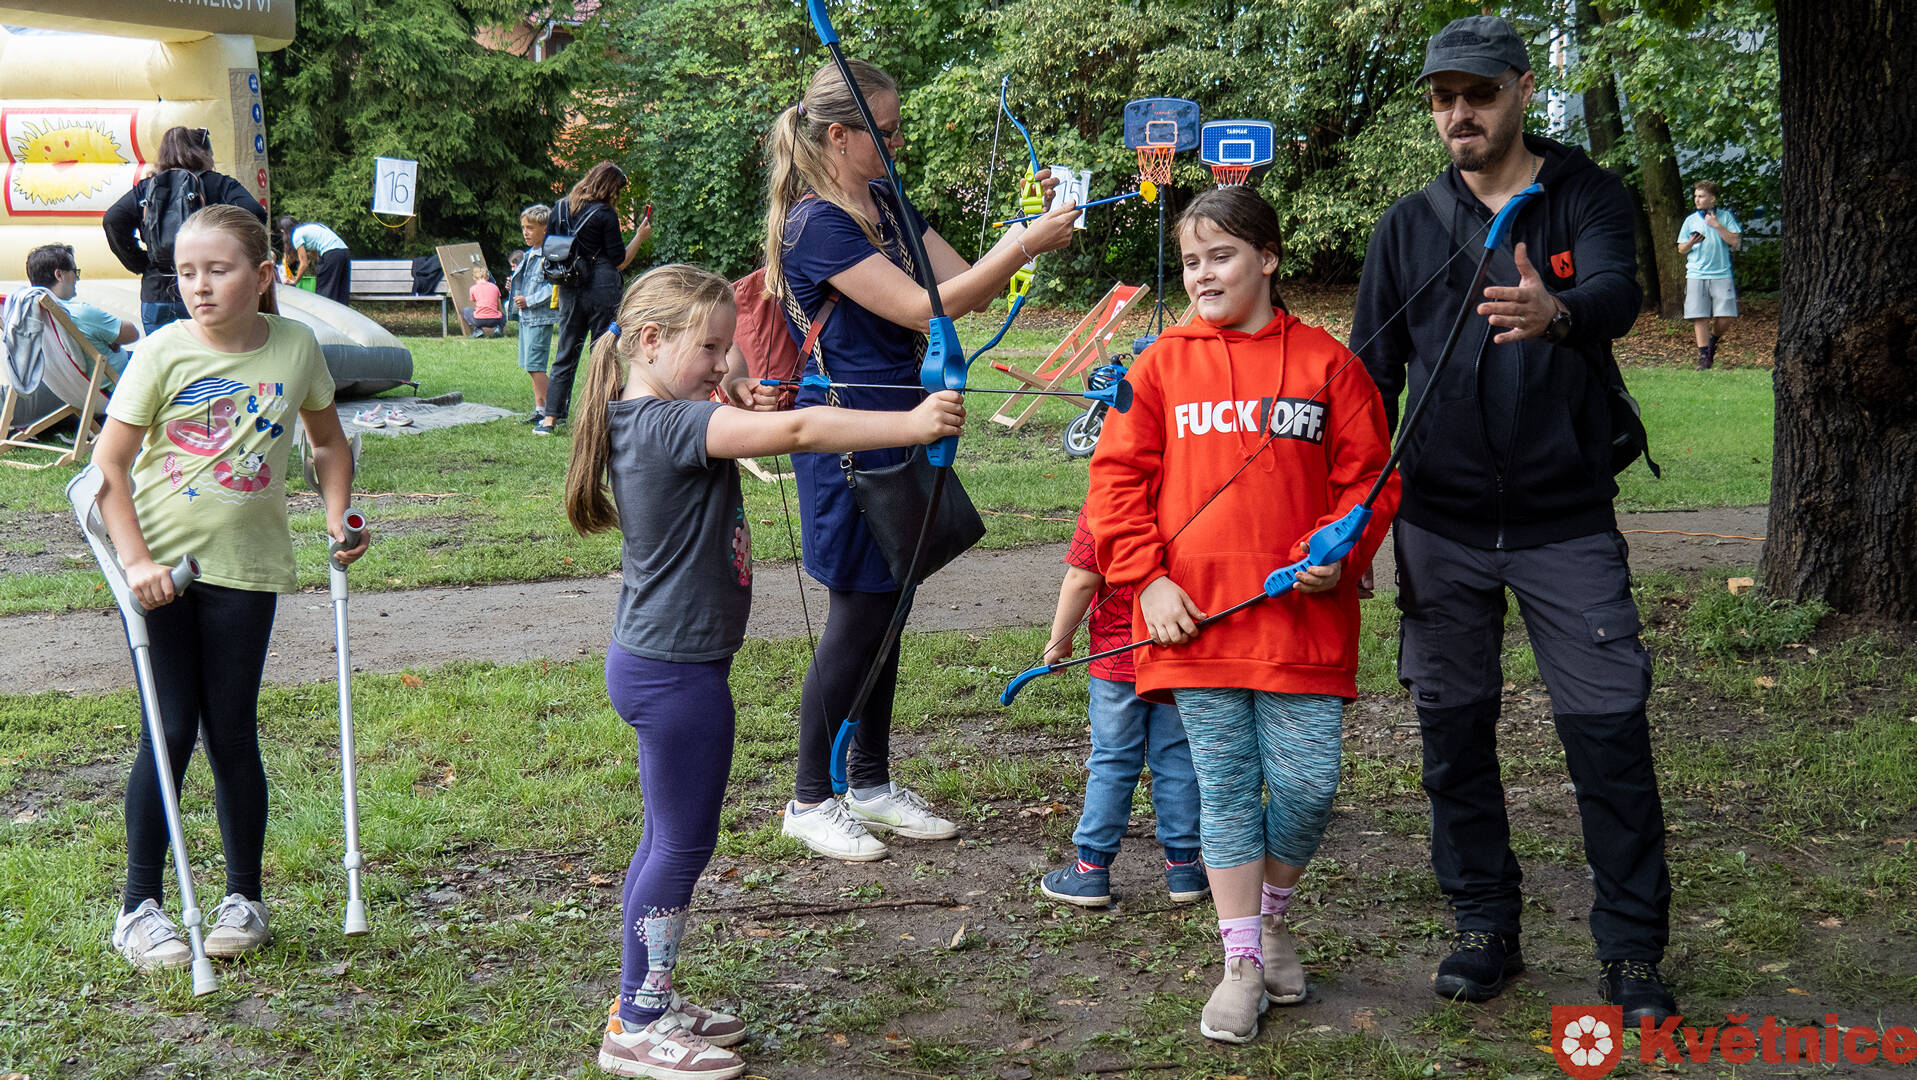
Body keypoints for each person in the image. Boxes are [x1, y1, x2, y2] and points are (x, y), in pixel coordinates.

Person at [1349, 14, 1676, 1026]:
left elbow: (1618, 293)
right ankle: (1483, 924)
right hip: (1439, 527)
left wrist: (1557, 314)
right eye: (1443, 98)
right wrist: (1351, 520)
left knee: (1608, 740)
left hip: (1565, 523)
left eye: (1478, 94)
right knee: (1453, 740)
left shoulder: (1585, 196)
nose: (1459, 113)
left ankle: (1630, 952)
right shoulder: (1407, 226)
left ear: (1523, 91)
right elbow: (1368, 379)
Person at [562, 264, 965, 1079]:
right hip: (675, 678)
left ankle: (648, 996)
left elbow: (742, 399)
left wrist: (733, 386)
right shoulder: (672, 424)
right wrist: (912, 421)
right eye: (711, 349)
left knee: (664, 841)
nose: (725, 363)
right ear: (650, 341)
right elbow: (800, 432)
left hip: (663, 667)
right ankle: (636, 1026)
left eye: (728, 349)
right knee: (681, 846)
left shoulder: (649, 411)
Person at [1090, 185, 1399, 1043]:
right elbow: (1115, 484)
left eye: (1220, 256)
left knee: (1307, 786)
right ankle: (1239, 961)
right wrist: (1146, 582)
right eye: (1190, 261)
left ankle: (1268, 919)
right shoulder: (1159, 365)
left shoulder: (1328, 364)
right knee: (1224, 789)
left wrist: (1339, 552)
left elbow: (1369, 481)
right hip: (1192, 623)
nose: (1201, 274)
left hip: (1302, 624)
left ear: (1266, 258)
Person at [758, 57, 1080, 861]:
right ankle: (809, 798)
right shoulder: (814, 224)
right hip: (846, 436)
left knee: (890, 604)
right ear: (839, 136)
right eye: (887, 131)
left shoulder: (885, 202)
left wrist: (1025, 230)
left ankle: (867, 782)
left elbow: (968, 283)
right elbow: (923, 307)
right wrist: (1022, 242)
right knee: (859, 612)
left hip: (905, 424)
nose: (899, 143)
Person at [90, 204, 368, 971]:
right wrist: (137, 563)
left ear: (263, 274)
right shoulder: (161, 352)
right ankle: (139, 907)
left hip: (249, 569)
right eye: (186, 273)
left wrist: (338, 513)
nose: (200, 286)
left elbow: (327, 443)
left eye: (218, 270)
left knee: (233, 731)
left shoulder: (295, 346)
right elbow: (109, 467)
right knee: (171, 728)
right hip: (161, 575)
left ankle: (244, 899)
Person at [1035, 506, 1205, 909]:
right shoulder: (1187, 495)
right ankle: (1184, 867)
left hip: (1115, 666)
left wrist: (1059, 640)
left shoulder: (1107, 504)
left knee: (1112, 760)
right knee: (1178, 758)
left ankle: (1091, 870)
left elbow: (1081, 578)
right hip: (1179, 660)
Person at [102, 125, 268, 332]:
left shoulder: (146, 188)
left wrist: (140, 262)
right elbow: (255, 212)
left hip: (157, 290)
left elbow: (112, 219)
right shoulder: (218, 184)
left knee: (163, 352)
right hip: (207, 291)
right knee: (210, 351)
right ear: (202, 153)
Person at [539, 162, 653, 435]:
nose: (618, 196)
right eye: (618, 191)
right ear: (610, 188)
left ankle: (549, 419)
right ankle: (600, 417)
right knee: (602, 353)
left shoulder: (560, 208)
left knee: (565, 352)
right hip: (602, 287)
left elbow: (550, 247)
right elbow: (620, 260)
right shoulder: (605, 214)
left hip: (568, 285)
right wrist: (639, 236)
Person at [26, 243, 138, 377]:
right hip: (121, 378)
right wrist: (112, 338)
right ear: (59, 275)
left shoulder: (34, 315)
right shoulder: (78, 314)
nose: (77, 278)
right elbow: (132, 334)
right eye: (75, 272)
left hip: (72, 385)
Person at [1678, 180, 1741, 370]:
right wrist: (1690, 243)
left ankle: (1713, 340)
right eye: (1695, 196)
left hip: (1722, 273)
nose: (1697, 199)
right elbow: (1681, 249)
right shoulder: (1690, 220)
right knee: (1700, 316)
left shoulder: (1725, 217)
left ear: (1712, 199)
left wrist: (1716, 225)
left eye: (1701, 196)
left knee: (1727, 316)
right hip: (1696, 273)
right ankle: (1704, 356)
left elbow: (1734, 241)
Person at [510, 206, 560, 421]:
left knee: (535, 365)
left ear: (545, 229)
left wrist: (529, 300)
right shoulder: (529, 255)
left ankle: (554, 409)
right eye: (523, 228)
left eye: (530, 228)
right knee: (531, 366)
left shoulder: (549, 255)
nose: (525, 232)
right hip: (527, 318)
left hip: (539, 318)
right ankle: (540, 409)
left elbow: (553, 286)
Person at [277, 216, 351, 305]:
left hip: (331, 254)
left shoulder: (296, 235)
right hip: (344, 252)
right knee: (341, 292)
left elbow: (304, 264)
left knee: (325, 292)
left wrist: (295, 281)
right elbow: (314, 255)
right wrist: (298, 256)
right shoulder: (306, 228)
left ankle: (323, 312)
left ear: (283, 231)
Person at [461, 266, 505, 338]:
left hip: (479, 320)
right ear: (488, 277)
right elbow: (499, 305)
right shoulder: (495, 287)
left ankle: (477, 330)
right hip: (494, 320)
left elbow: (475, 303)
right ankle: (499, 328)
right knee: (503, 315)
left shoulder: (473, 288)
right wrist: (498, 313)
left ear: (474, 278)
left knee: (465, 310)